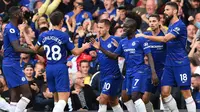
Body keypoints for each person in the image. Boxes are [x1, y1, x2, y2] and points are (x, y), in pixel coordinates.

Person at [136, 2, 196, 112]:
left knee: (186, 93)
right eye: (164, 10)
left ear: (175, 11)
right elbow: (161, 29)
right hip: (169, 64)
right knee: (164, 93)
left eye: (167, 10)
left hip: (180, 63)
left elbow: (165, 39)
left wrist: (144, 36)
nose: (165, 12)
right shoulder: (171, 26)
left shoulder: (180, 25)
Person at [91, 16, 159, 112]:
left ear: (133, 29)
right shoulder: (123, 41)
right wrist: (100, 48)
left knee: (135, 96)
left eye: (126, 27)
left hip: (139, 71)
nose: (124, 29)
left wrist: (153, 72)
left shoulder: (140, 39)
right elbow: (114, 56)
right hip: (128, 72)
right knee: (124, 98)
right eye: (124, 27)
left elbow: (149, 56)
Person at [28, 11, 90, 112]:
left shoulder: (43, 35)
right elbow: (75, 52)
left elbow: (35, 50)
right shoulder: (63, 35)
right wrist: (84, 47)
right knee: (64, 97)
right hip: (60, 67)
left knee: (56, 98)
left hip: (49, 68)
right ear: (61, 22)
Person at [2, 6, 36, 112]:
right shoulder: (11, 29)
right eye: (20, 13)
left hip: (11, 63)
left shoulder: (13, 27)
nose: (22, 14)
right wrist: (34, 51)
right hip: (12, 64)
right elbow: (16, 48)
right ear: (16, 15)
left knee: (15, 96)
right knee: (27, 94)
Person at [91, 19, 124, 112]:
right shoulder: (98, 41)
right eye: (98, 27)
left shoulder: (115, 39)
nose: (99, 30)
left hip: (113, 75)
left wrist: (119, 48)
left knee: (102, 99)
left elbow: (124, 53)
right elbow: (86, 47)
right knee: (113, 101)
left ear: (107, 28)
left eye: (101, 27)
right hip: (103, 75)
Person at [144, 14, 166, 110]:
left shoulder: (164, 36)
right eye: (150, 21)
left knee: (165, 97)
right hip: (149, 70)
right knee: (144, 99)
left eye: (154, 21)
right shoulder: (146, 36)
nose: (152, 23)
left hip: (163, 70)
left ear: (159, 22)